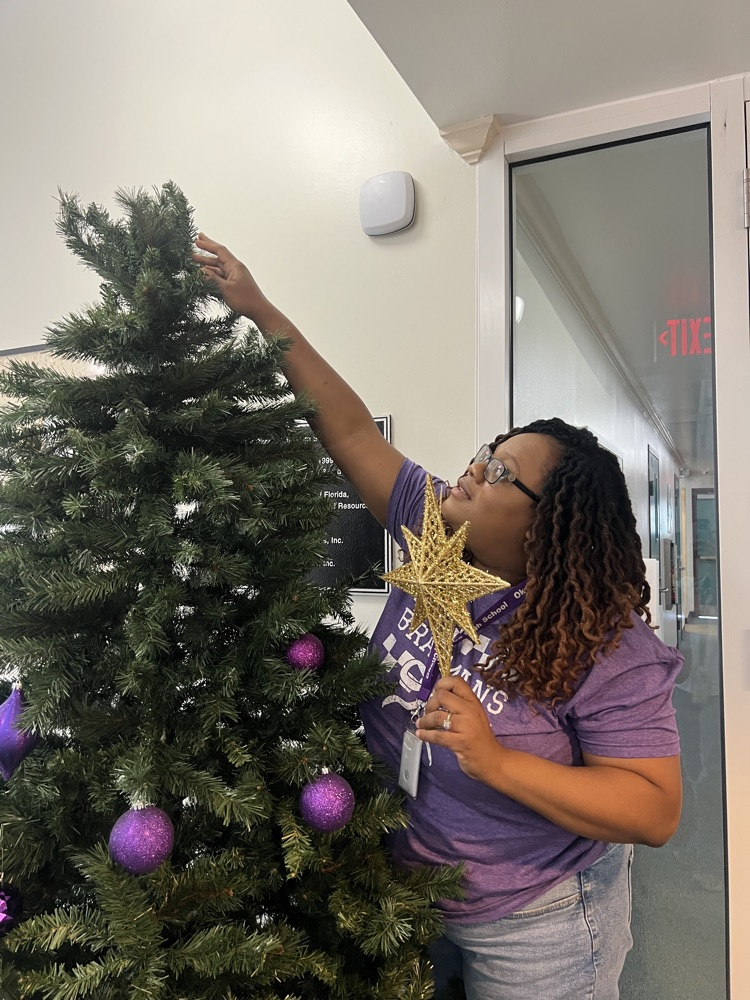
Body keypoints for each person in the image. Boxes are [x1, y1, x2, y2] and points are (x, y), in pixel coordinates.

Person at [193, 234, 683, 1000]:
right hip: (409, 896)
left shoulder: (605, 640)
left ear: (546, 528)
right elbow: (351, 430)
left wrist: (498, 761)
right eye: (486, 451)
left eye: (500, 473)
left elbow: (653, 808)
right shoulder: (433, 535)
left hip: (538, 922)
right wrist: (261, 311)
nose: (472, 466)